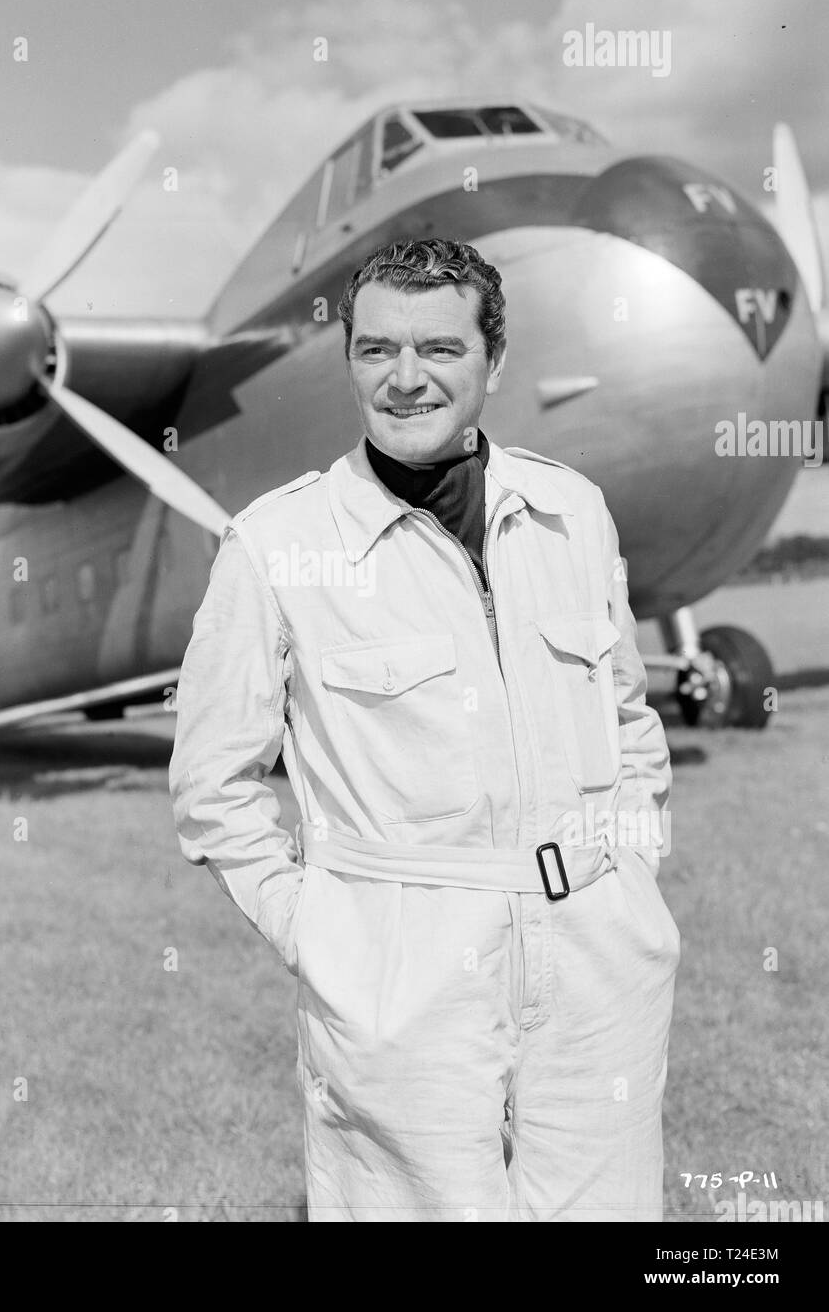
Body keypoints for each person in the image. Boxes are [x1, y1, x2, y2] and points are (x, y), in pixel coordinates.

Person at [169, 237, 679, 1222]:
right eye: (375, 351)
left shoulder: (573, 511)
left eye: (439, 349)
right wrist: (321, 932)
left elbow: (627, 715)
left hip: (597, 959)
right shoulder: (275, 546)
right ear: (350, 358)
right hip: (401, 981)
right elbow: (213, 791)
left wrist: (631, 873)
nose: (405, 379)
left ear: (494, 360)